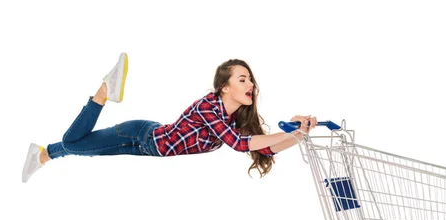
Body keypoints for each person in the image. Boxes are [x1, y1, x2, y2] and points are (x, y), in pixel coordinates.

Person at [22, 53, 317, 183]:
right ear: (224, 87)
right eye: (242, 79)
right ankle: (104, 90)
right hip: (138, 135)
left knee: (81, 147)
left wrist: (298, 133)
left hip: (147, 147)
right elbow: (241, 145)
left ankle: (41, 155)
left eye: (250, 79)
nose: (250, 84)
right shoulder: (209, 106)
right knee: (73, 143)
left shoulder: (235, 118)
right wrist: (292, 133)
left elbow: (262, 147)